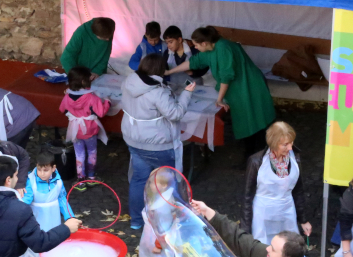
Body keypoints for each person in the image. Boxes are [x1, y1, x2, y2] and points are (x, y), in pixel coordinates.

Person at [164, 26, 275, 162]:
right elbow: (193, 62)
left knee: (253, 119)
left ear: (204, 43)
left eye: (197, 45)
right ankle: (253, 153)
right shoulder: (211, 48)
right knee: (248, 119)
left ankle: (255, 158)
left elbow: (226, 76)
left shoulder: (223, 48)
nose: (196, 48)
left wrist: (220, 99)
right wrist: (170, 72)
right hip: (240, 86)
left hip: (250, 85)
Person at [120, 54, 195, 229]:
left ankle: (137, 222)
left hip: (134, 141)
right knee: (167, 183)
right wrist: (187, 94)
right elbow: (175, 114)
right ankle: (167, 224)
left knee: (139, 179)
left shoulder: (129, 82)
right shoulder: (157, 92)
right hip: (159, 145)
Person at [242, 121, 312, 245]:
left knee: (289, 247)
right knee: (263, 250)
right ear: (274, 143)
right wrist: (245, 230)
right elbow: (247, 196)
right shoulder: (256, 161)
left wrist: (303, 220)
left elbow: (298, 190)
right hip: (263, 214)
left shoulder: (294, 157)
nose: (290, 148)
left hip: (287, 211)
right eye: (285, 144)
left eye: (291, 143)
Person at [20, 151, 75, 257]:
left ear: (53, 168)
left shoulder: (58, 181)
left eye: (46, 170)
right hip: (36, 221)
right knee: (35, 251)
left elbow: (63, 199)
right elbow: (26, 201)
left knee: (56, 248)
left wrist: (70, 217)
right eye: (39, 169)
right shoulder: (30, 181)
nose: (42, 173)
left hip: (54, 221)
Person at [58, 67, 111, 182]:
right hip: (90, 130)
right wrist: (107, 102)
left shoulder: (67, 96)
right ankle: (91, 176)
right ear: (83, 81)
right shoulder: (92, 97)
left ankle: (81, 179)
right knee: (92, 152)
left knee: (79, 154)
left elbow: (62, 109)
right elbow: (101, 112)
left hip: (75, 131)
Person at [135, 168, 177, 257]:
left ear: (164, 186)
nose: (150, 185)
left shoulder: (163, 205)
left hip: (158, 241)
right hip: (151, 237)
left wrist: (159, 245)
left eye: (153, 183)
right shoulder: (160, 197)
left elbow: (165, 228)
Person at [162, 25, 209, 92]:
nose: (168, 45)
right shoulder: (167, 53)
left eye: (171, 42)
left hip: (194, 87)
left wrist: (192, 72)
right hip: (175, 88)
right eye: (167, 43)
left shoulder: (194, 50)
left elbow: (205, 67)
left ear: (179, 40)